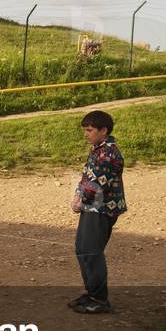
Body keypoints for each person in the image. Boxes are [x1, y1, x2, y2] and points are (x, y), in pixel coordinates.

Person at [68, 110, 126, 314]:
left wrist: (78, 199)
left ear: (104, 130)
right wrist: (80, 196)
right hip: (92, 207)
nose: (86, 134)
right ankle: (91, 292)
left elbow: (96, 184)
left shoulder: (108, 154)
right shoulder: (98, 149)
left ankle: (99, 299)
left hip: (101, 209)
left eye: (89, 130)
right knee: (83, 248)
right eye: (85, 130)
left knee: (91, 251)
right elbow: (87, 176)